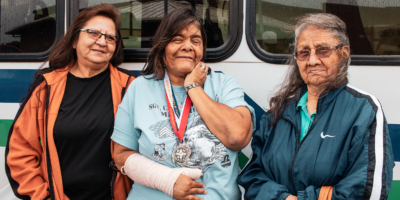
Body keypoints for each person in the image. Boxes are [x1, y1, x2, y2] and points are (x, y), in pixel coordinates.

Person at [237, 13, 394, 200]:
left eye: (323, 50)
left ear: (344, 53)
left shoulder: (364, 110)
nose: (312, 61)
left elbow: (369, 190)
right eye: (304, 52)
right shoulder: (276, 113)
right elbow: (252, 177)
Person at [111, 8, 255, 200]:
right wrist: (166, 180)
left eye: (196, 41)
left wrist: (193, 86)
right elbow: (120, 155)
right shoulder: (139, 88)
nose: (188, 46)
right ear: (162, 48)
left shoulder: (224, 85)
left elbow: (238, 137)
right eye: (177, 40)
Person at [5, 4, 134, 200]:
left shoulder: (130, 87)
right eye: (93, 33)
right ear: (74, 40)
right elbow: (20, 152)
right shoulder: (46, 87)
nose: (102, 41)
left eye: (110, 37)